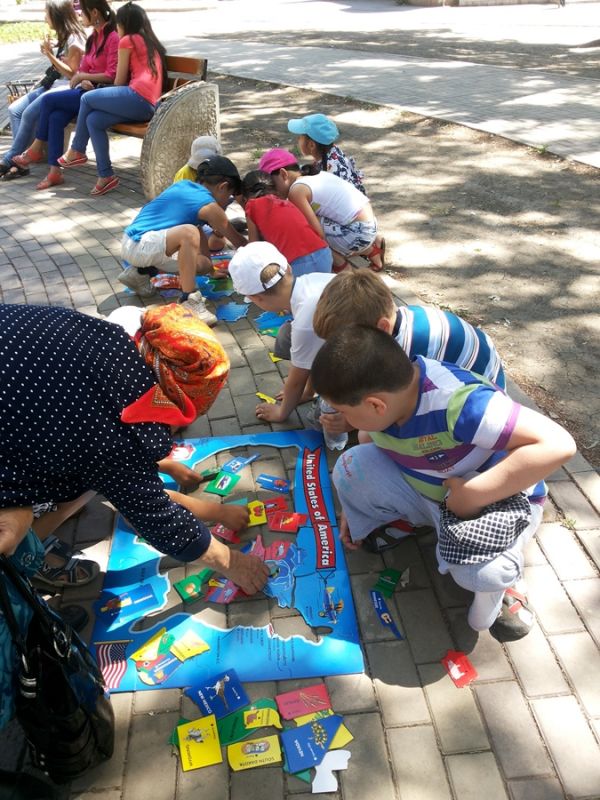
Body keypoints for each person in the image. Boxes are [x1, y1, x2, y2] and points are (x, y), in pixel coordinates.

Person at [310, 326, 576, 641]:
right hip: (437, 493)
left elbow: (558, 443)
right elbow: (370, 442)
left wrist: (474, 494)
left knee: (483, 576)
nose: (344, 421)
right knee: (349, 469)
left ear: (376, 405)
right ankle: (414, 522)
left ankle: (506, 581)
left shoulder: (459, 404)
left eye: (344, 412)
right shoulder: (390, 404)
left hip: (493, 504)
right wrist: (355, 505)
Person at [0, 303, 268, 609]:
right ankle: (18, 574)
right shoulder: (109, 434)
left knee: (76, 485)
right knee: (15, 527)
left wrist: (160, 464)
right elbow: (154, 515)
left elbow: (112, 433)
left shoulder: (114, 340)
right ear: (166, 398)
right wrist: (233, 562)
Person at [311, 269, 505, 444]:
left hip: (479, 411)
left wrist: (352, 421)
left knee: (368, 436)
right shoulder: (397, 321)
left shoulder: (407, 352)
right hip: (459, 390)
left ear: (382, 328)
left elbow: (398, 404)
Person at [119, 155, 247, 323]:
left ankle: (139, 274)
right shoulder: (208, 205)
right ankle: (189, 299)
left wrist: (211, 270)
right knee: (189, 232)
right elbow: (239, 242)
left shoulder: (185, 186)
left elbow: (199, 233)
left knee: (203, 262)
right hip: (140, 244)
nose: (228, 201)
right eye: (230, 195)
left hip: (133, 244)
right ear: (222, 187)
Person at [58, 2, 166, 196]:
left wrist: (96, 87)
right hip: (147, 104)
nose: (116, 27)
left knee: (87, 99)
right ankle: (106, 176)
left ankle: (77, 150)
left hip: (138, 98)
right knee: (94, 120)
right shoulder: (148, 41)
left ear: (124, 24)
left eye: (118, 24)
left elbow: (119, 80)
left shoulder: (127, 40)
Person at [12, 0, 119, 191]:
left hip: (100, 94)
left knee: (48, 100)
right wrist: (83, 78)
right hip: (85, 90)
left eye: (82, 12)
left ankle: (36, 148)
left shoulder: (112, 37)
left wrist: (84, 77)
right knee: (55, 116)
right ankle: (55, 173)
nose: (79, 15)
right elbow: (83, 69)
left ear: (94, 13)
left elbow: (111, 75)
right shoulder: (93, 37)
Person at [228, 241, 334, 424]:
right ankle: (312, 392)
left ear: (256, 298)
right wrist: (307, 392)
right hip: (361, 344)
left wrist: (281, 413)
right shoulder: (312, 279)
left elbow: (297, 378)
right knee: (288, 333)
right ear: (289, 269)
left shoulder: (305, 321)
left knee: (321, 420)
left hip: (370, 367)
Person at [258, 148, 385, 272]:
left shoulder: (296, 191)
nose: (272, 193)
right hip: (368, 226)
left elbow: (317, 234)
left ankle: (341, 264)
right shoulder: (311, 175)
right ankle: (372, 251)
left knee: (302, 228)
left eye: (272, 186)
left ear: (283, 174)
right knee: (310, 220)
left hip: (358, 231)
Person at [0, 0, 86, 182]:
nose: (45, 17)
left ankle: (10, 160)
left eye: (47, 13)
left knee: (28, 114)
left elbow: (72, 74)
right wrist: (52, 50)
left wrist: (49, 54)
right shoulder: (65, 36)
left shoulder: (75, 39)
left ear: (57, 15)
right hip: (52, 85)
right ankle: (20, 160)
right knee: (14, 110)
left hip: (65, 89)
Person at [241, 169, 332, 277]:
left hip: (298, 264)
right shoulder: (286, 203)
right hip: (324, 255)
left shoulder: (251, 206)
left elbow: (253, 247)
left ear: (245, 197)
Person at [287, 112, 366, 195]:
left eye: (300, 137)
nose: (298, 140)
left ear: (311, 145)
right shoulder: (332, 150)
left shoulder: (330, 171)